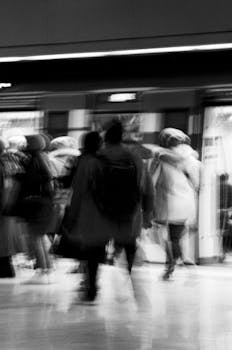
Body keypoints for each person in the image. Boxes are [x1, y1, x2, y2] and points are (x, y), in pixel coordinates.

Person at [97, 119, 154, 275]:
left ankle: (92, 282)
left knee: (96, 243)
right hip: (129, 208)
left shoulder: (99, 155)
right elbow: (147, 187)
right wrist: (148, 212)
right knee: (129, 241)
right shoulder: (133, 157)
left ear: (105, 137)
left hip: (102, 209)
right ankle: (128, 269)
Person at [59, 131, 108, 301]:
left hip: (86, 212)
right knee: (96, 249)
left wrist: (71, 215)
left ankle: (90, 284)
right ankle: (92, 283)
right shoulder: (104, 161)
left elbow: (78, 191)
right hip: (103, 212)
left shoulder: (84, 161)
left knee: (87, 249)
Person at [151, 128, 201, 280]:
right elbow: (197, 184)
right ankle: (176, 262)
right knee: (175, 237)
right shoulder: (192, 160)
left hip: (167, 204)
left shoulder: (161, 159)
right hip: (187, 205)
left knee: (159, 235)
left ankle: (177, 261)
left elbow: (152, 181)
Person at [15, 134, 55, 284]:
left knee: (35, 238)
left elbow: (29, 182)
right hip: (44, 204)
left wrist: (20, 177)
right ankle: (46, 267)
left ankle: (42, 270)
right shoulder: (43, 159)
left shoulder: (34, 161)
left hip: (36, 205)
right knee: (39, 237)